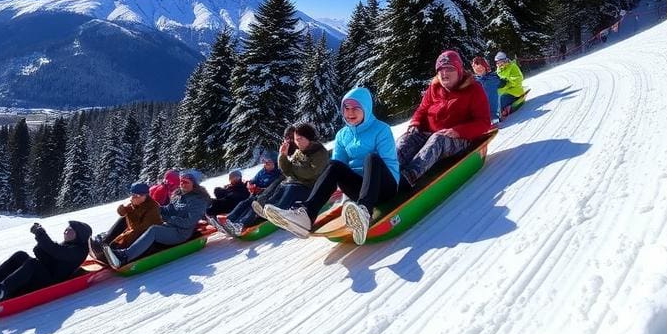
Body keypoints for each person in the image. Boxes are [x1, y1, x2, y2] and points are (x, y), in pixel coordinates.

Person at [265, 87, 399, 245]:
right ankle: (306, 216)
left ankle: (364, 212)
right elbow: (338, 169)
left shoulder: (381, 129)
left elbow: (389, 163)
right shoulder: (343, 135)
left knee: (372, 158)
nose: (350, 113)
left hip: (385, 186)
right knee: (335, 164)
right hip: (358, 188)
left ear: (366, 108)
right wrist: (342, 196)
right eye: (346, 108)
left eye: (356, 108)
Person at [397, 50, 494, 189]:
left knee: (438, 139)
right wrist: (415, 123)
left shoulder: (474, 90)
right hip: (428, 133)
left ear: (459, 70)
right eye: (440, 70)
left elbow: (484, 122)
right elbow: (422, 109)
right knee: (405, 140)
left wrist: (457, 131)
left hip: (458, 139)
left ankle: (408, 177)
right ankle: (388, 171)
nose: (444, 73)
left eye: (449, 69)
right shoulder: (434, 87)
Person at [212, 122, 330, 236]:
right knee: (266, 199)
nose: (297, 142)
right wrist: (282, 156)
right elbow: (286, 170)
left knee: (281, 199)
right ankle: (236, 221)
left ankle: (249, 221)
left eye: (300, 139)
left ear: (309, 138)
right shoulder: (299, 152)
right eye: (296, 139)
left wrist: (291, 169)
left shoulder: (319, 152)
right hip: (291, 183)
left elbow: (310, 173)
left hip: (308, 187)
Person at [0, 220, 92, 306]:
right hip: (47, 275)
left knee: (32, 264)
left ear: (79, 235)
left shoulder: (78, 251)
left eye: (71, 230)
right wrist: (41, 247)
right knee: (21, 256)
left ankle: (1, 291)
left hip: (51, 282)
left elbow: (55, 251)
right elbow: (52, 255)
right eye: (67, 228)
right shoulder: (69, 246)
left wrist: (40, 234)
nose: (66, 231)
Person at [103, 170, 211, 269]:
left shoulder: (198, 200)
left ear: (194, 184)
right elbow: (168, 209)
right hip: (170, 227)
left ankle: (125, 257)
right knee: (147, 225)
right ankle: (119, 247)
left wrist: (169, 219)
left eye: (186, 182)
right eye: (181, 181)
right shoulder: (180, 196)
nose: (183, 184)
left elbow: (189, 222)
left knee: (153, 230)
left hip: (181, 232)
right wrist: (151, 207)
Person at [88, 182, 163, 262]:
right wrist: (124, 208)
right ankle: (105, 242)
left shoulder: (153, 208)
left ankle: (114, 251)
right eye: (133, 195)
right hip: (133, 231)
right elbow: (121, 213)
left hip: (145, 237)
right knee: (123, 220)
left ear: (145, 195)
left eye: (137, 195)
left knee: (124, 238)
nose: (134, 197)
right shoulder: (135, 203)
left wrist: (119, 241)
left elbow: (142, 229)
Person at [495, 51, 525, 118]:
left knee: (500, 101)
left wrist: (506, 82)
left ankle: (501, 111)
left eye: (501, 62)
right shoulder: (499, 69)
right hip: (503, 91)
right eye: (498, 63)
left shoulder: (512, 67)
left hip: (514, 91)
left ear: (505, 60)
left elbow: (518, 78)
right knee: (493, 99)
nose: (499, 64)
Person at [471, 56, 502, 122]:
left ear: (485, 67)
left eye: (480, 67)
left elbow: (504, 83)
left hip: (493, 111)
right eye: (476, 68)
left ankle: (494, 116)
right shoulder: (474, 81)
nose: (478, 69)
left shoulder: (493, 78)